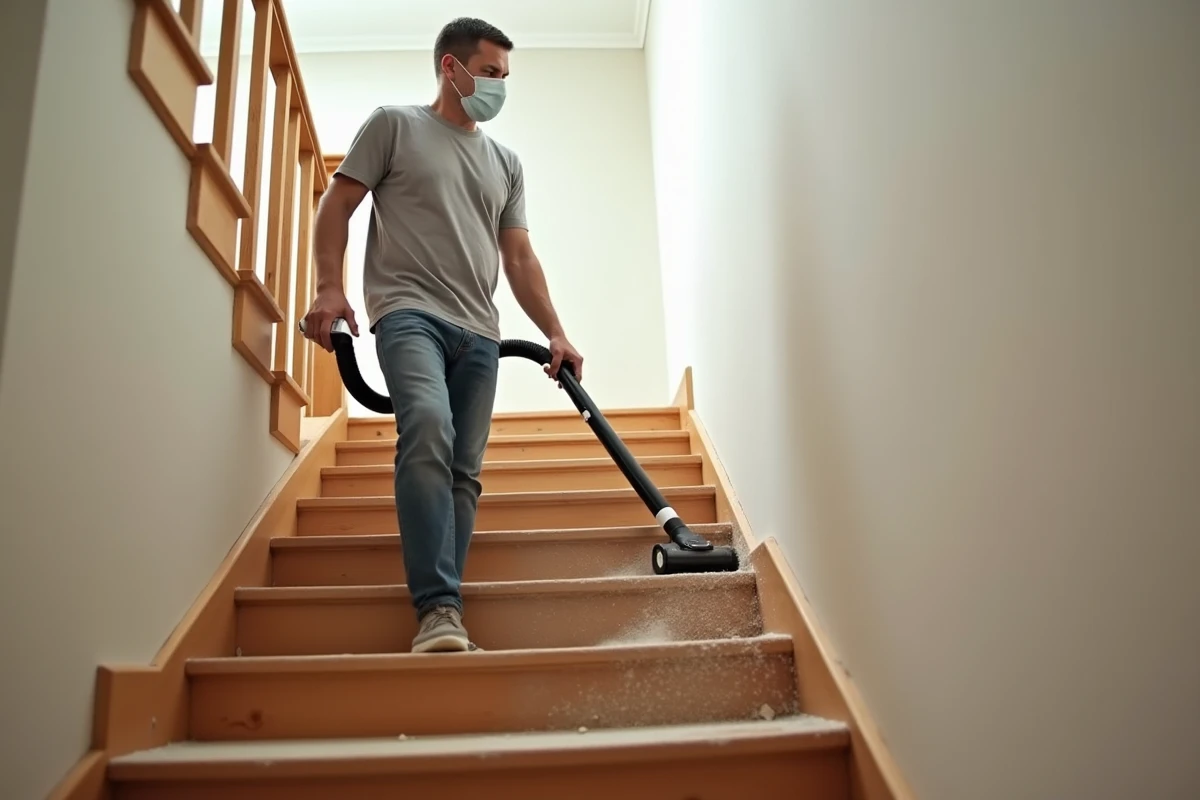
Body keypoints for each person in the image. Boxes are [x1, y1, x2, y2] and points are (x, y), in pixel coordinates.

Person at [301, 17, 583, 653]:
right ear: (451, 69)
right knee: (427, 426)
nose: (498, 87)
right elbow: (337, 204)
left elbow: (519, 259)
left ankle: (444, 607)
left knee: (463, 469)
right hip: (407, 312)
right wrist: (327, 286)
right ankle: (437, 609)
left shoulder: (505, 163)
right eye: (489, 73)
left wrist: (556, 333)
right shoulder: (395, 125)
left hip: (480, 330)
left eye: (505, 77)